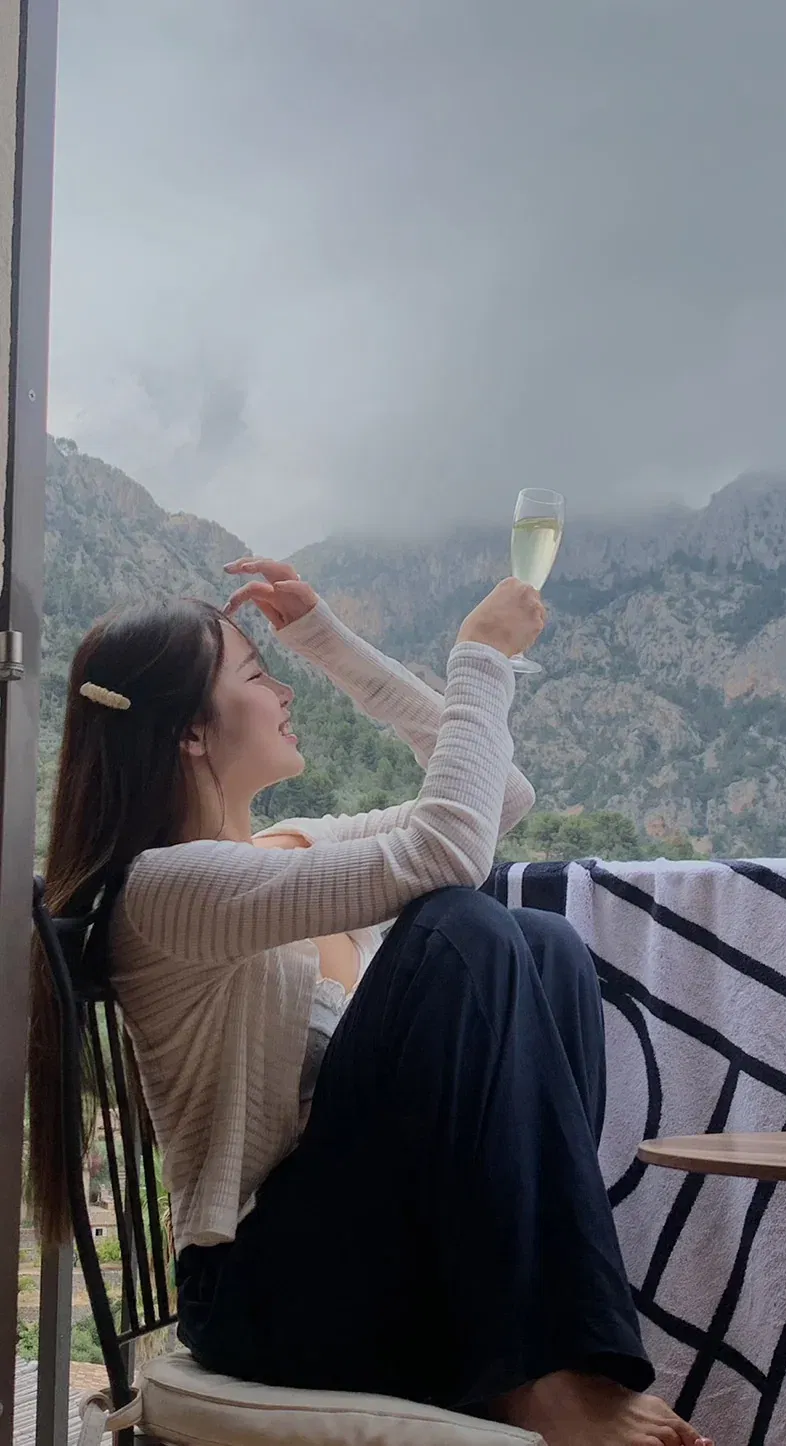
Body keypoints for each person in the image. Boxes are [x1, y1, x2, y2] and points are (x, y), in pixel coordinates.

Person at [28, 557, 710, 1446]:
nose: (284, 691)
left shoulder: (289, 852)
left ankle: (552, 1357)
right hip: (269, 1291)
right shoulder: (168, 890)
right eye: (258, 675)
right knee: (463, 925)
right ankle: (544, 1375)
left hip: (385, 1265)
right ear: (193, 732)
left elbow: (498, 798)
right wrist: (480, 658)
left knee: (544, 943)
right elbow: (448, 853)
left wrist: (328, 642)